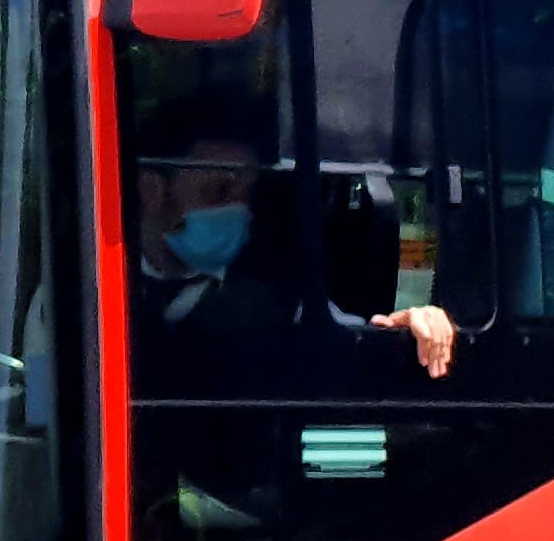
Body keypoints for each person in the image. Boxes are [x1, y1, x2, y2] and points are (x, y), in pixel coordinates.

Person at [132, 124, 456, 380]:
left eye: (247, 195)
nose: (239, 210)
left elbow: (345, 332)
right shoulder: (92, 282)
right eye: (220, 191)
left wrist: (414, 324)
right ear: (152, 190)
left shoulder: (274, 293)